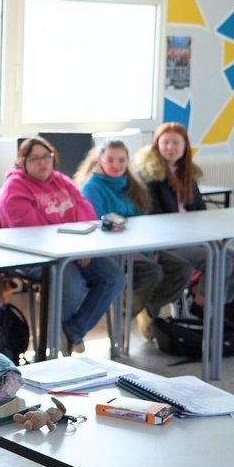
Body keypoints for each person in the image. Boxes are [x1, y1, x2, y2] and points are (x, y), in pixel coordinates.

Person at [0, 137, 126, 355]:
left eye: (47, 157)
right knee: (72, 285)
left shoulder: (61, 181)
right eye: (35, 158)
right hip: (35, 256)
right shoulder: (15, 188)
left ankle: (70, 332)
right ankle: (54, 347)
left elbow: (87, 214)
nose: (43, 163)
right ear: (22, 162)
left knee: (113, 276)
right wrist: (74, 252)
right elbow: (35, 234)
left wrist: (82, 249)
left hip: (73, 252)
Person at [75, 139, 193, 340]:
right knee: (152, 272)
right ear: (99, 161)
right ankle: (123, 318)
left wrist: (151, 250)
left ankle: (146, 307)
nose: (116, 165)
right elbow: (100, 231)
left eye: (121, 160)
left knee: (181, 269)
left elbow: (144, 222)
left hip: (140, 248)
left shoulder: (132, 184)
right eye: (110, 160)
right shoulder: (93, 188)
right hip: (114, 253)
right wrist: (143, 255)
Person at [136, 123, 234, 321]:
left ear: (185, 147)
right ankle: (204, 308)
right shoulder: (149, 176)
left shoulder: (187, 174)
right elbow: (156, 219)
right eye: (166, 143)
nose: (171, 148)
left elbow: (200, 212)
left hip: (193, 237)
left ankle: (209, 305)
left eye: (176, 143)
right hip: (169, 243)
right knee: (221, 259)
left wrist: (210, 236)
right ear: (157, 145)